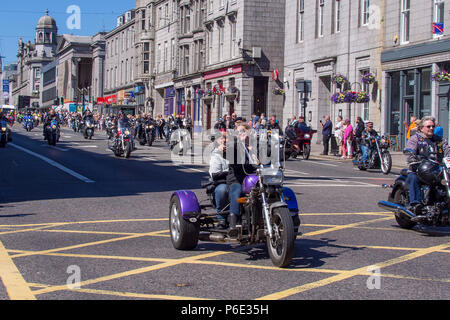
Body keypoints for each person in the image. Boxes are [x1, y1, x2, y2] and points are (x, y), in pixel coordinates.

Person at [405, 116, 450, 219]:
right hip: (419, 170)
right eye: (428, 126)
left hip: (437, 171)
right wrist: (413, 158)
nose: (431, 128)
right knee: (414, 178)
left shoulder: (439, 140)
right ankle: (415, 205)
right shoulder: (415, 138)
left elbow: (447, 151)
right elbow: (409, 151)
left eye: (433, 126)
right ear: (421, 128)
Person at [226, 121, 257, 236]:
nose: (240, 134)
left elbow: (269, 154)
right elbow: (232, 159)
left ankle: (291, 217)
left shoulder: (256, 146)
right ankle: (233, 224)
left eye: (242, 131)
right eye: (238, 132)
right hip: (237, 179)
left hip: (256, 180)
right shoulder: (233, 147)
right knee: (237, 191)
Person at [209, 135, 230, 229]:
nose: (224, 140)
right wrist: (231, 172)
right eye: (221, 138)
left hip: (236, 180)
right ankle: (221, 217)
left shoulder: (236, 151)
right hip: (221, 181)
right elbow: (215, 174)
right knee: (222, 190)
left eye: (226, 138)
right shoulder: (216, 154)